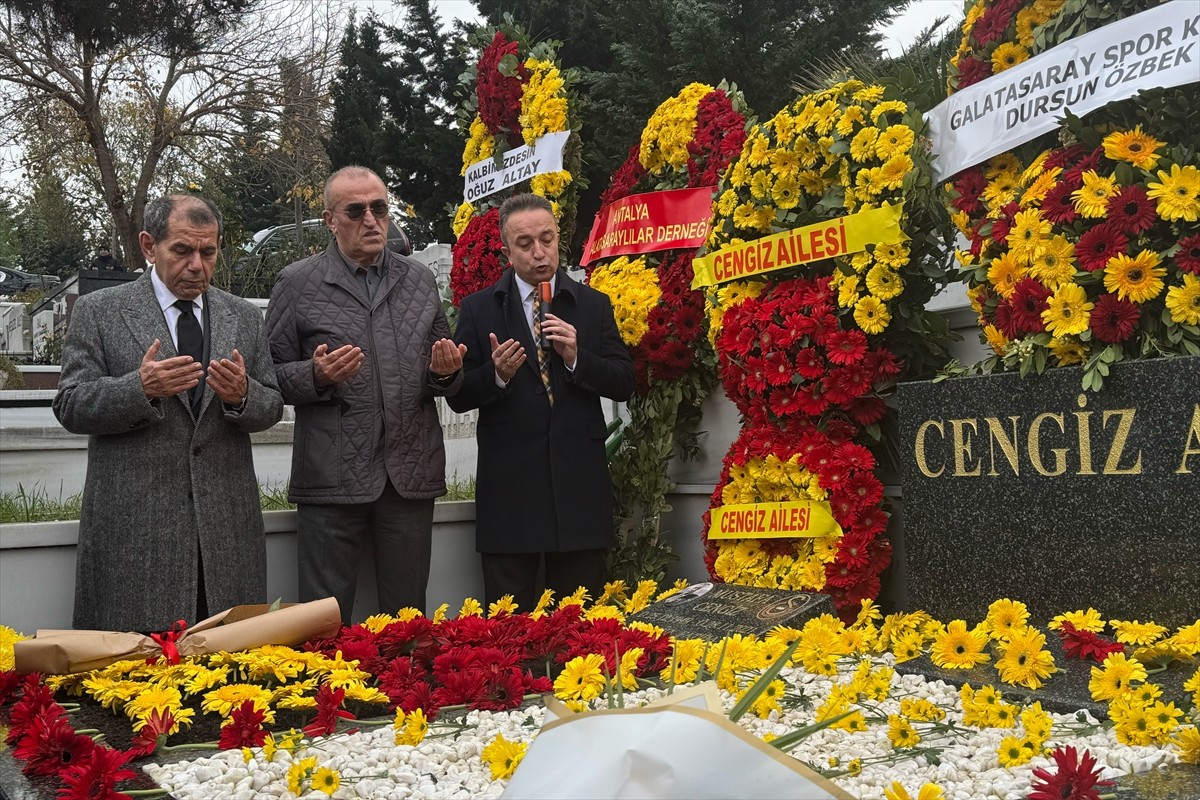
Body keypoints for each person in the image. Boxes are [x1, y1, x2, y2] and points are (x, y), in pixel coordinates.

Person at [53, 195, 284, 632]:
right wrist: (138, 388)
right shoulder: (100, 311)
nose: (197, 265)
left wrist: (242, 396)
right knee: (132, 685)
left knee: (229, 681)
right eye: (182, 250)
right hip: (135, 535)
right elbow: (70, 404)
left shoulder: (244, 318)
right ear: (148, 245)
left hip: (226, 534)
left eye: (208, 251)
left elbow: (271, 405)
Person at [267, 165, 464, 626]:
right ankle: (329, 699)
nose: (372, 220)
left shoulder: (418, 280)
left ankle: (405, 699)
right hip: (331, 478)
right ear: (329, 220)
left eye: (379, 208)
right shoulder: (296, 283)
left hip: (408, 475)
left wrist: (446, 373)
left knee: (408, 624)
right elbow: (267, 379)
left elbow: (445, 370)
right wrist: (314, 376)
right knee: (322, 624)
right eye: (356, 211)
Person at [448, 193, 635, 612]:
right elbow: (457, 396)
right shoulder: (479, 310)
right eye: (525, 243)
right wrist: (496, 375)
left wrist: (577, 359)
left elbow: (625, 382)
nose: (539, 253)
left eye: (547, 240)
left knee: (578, 630)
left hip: (578, 494)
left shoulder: (591, 304)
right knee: (509, 631)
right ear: (507, 250)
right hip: (509, 496)